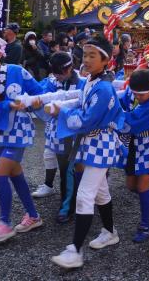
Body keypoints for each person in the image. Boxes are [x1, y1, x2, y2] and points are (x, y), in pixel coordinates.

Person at [50, 37, 124, 269]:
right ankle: (110, 232)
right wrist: (60, 108)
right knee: (100, 193)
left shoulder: (103, 88)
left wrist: (59, 113)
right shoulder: (91, 82)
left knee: (85, 195)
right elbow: (81, 106)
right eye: (85, 54)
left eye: (93, 55)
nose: (87, 59)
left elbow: (88, 120)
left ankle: (75, 250)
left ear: (106, 60)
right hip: (92, 145)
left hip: (100, 145)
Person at [0, 39, 44, 244]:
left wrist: (33, 104)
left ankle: (4, 222)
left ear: (0, 54)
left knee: (0, 175)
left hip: (20, 129)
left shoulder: (16, 70)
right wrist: (8, 105)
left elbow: (37, 91)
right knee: (15, 174)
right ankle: (33, 216)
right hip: (0, 130)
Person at [32, 53, 86, 224]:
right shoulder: (50, 82)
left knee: (74, 169)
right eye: (54, 72)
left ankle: (71, 205)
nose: (57, 76)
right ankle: (67, 204)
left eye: (60, 72)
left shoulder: (83, 83)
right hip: (57, 132)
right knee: (65, 169)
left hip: (75, 133)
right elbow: (39, 98)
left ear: (70, 68)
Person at [118, 69, 149, 243]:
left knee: (143, 186)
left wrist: (113, 115)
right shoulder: (133, 92)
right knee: (131, 186)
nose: (137, 97)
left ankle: (145, 226)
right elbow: (122, 102)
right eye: (135, 93)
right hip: (133, 144)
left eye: (141, 94)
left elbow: (133, 121)